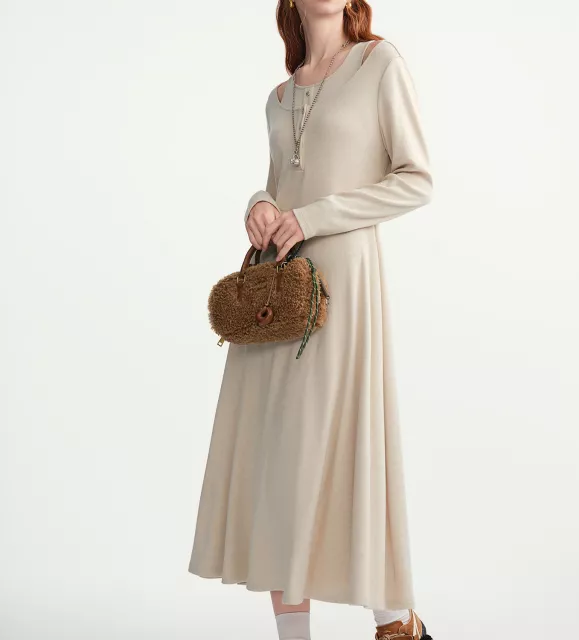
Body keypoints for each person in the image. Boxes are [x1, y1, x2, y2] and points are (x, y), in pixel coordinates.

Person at [188, 2, 434, 639]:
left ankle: (396, 621)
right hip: (276, 295)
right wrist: (259, 203)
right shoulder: (278, 97)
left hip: (342, 286)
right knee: (277, 470)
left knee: (335, 451)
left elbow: (415, 179)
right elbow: (278, 181)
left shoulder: (379, 63)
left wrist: (315, 216)